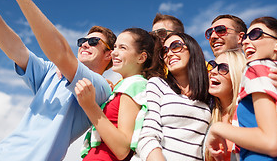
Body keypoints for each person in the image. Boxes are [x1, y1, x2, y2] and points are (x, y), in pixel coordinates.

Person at [0, 0, 115, 160]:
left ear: (108, 54)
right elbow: (15, 48)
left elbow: (62, 54)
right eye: (81, 41)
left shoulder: (100, 88)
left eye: (94, 42)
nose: (85, 43)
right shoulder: (51, 71)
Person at [206, 16, 277, 161]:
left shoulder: (256, 69)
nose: (246, 41)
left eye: (255, 35)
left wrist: (217, 129)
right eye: (247, 37)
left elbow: (271, 142)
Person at [75, 28, 164, 160]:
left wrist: (90, 106)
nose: (114, 52)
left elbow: (122, 149)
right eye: (115, 47)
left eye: (123, 48)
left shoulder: (135, 85)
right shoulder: (123, 87)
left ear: (141, 57)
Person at [133, 32, 212, 161]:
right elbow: (146, 135)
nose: (169, 54)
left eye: (176, 46)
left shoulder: (209, 96)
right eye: (164, 51)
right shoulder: (157, 84)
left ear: (192, 50)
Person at [206, 14, 277, 107]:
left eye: (221, 30)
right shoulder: (206, 75)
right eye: (210, 33)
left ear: (240, 38)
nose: (213, 36)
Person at [205, 50, 246, 161]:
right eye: (212, 65)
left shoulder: (248, 113)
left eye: (223, 68)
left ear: (236, 75)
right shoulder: (208, 115)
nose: (213, 71)